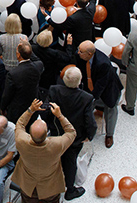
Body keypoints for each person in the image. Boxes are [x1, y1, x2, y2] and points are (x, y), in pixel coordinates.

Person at [10, 99, 75, 203]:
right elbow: (71, 132)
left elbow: (20, 125)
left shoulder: (21, 140)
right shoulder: (56, 144)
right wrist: (60, 116)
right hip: (50, 187)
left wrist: (30, 110)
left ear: (29, 134)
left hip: (28, 186)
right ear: (47, 134)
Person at [46, 67, 96, 200]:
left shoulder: (54, 90)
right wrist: (89, 136)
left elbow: (46, 110)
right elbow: (90, 121)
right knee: (70, 161)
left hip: (56, 134)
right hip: (75, 137)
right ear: (79, 81)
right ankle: (70, 189)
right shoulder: (87, 98)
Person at [76, 41, 122, 148]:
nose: (78, 53)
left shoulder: (103, 63)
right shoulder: (80, 55)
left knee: (111, 109)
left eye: (81, 51)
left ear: (89, 54)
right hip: (90, 85)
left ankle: (109, 135)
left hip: (108, 90)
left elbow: (101, 85)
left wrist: (91, 98)